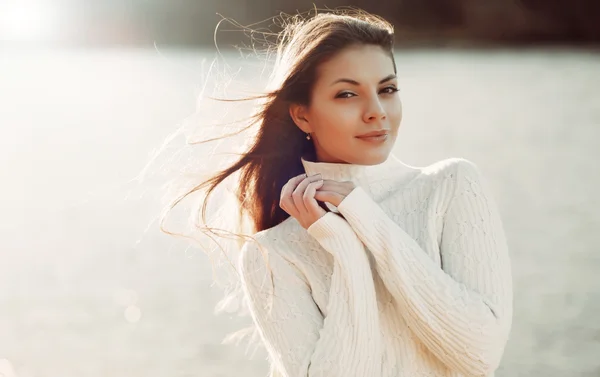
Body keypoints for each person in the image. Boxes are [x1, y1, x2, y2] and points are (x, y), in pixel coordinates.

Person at [166, 8, 513, 377]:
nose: (376, 112)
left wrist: (369, 221)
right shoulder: (273, 253)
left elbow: (481, 355)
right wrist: (344, 247)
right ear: (302, 115)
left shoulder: (452, 186)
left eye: (388, 89)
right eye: (347, 94)